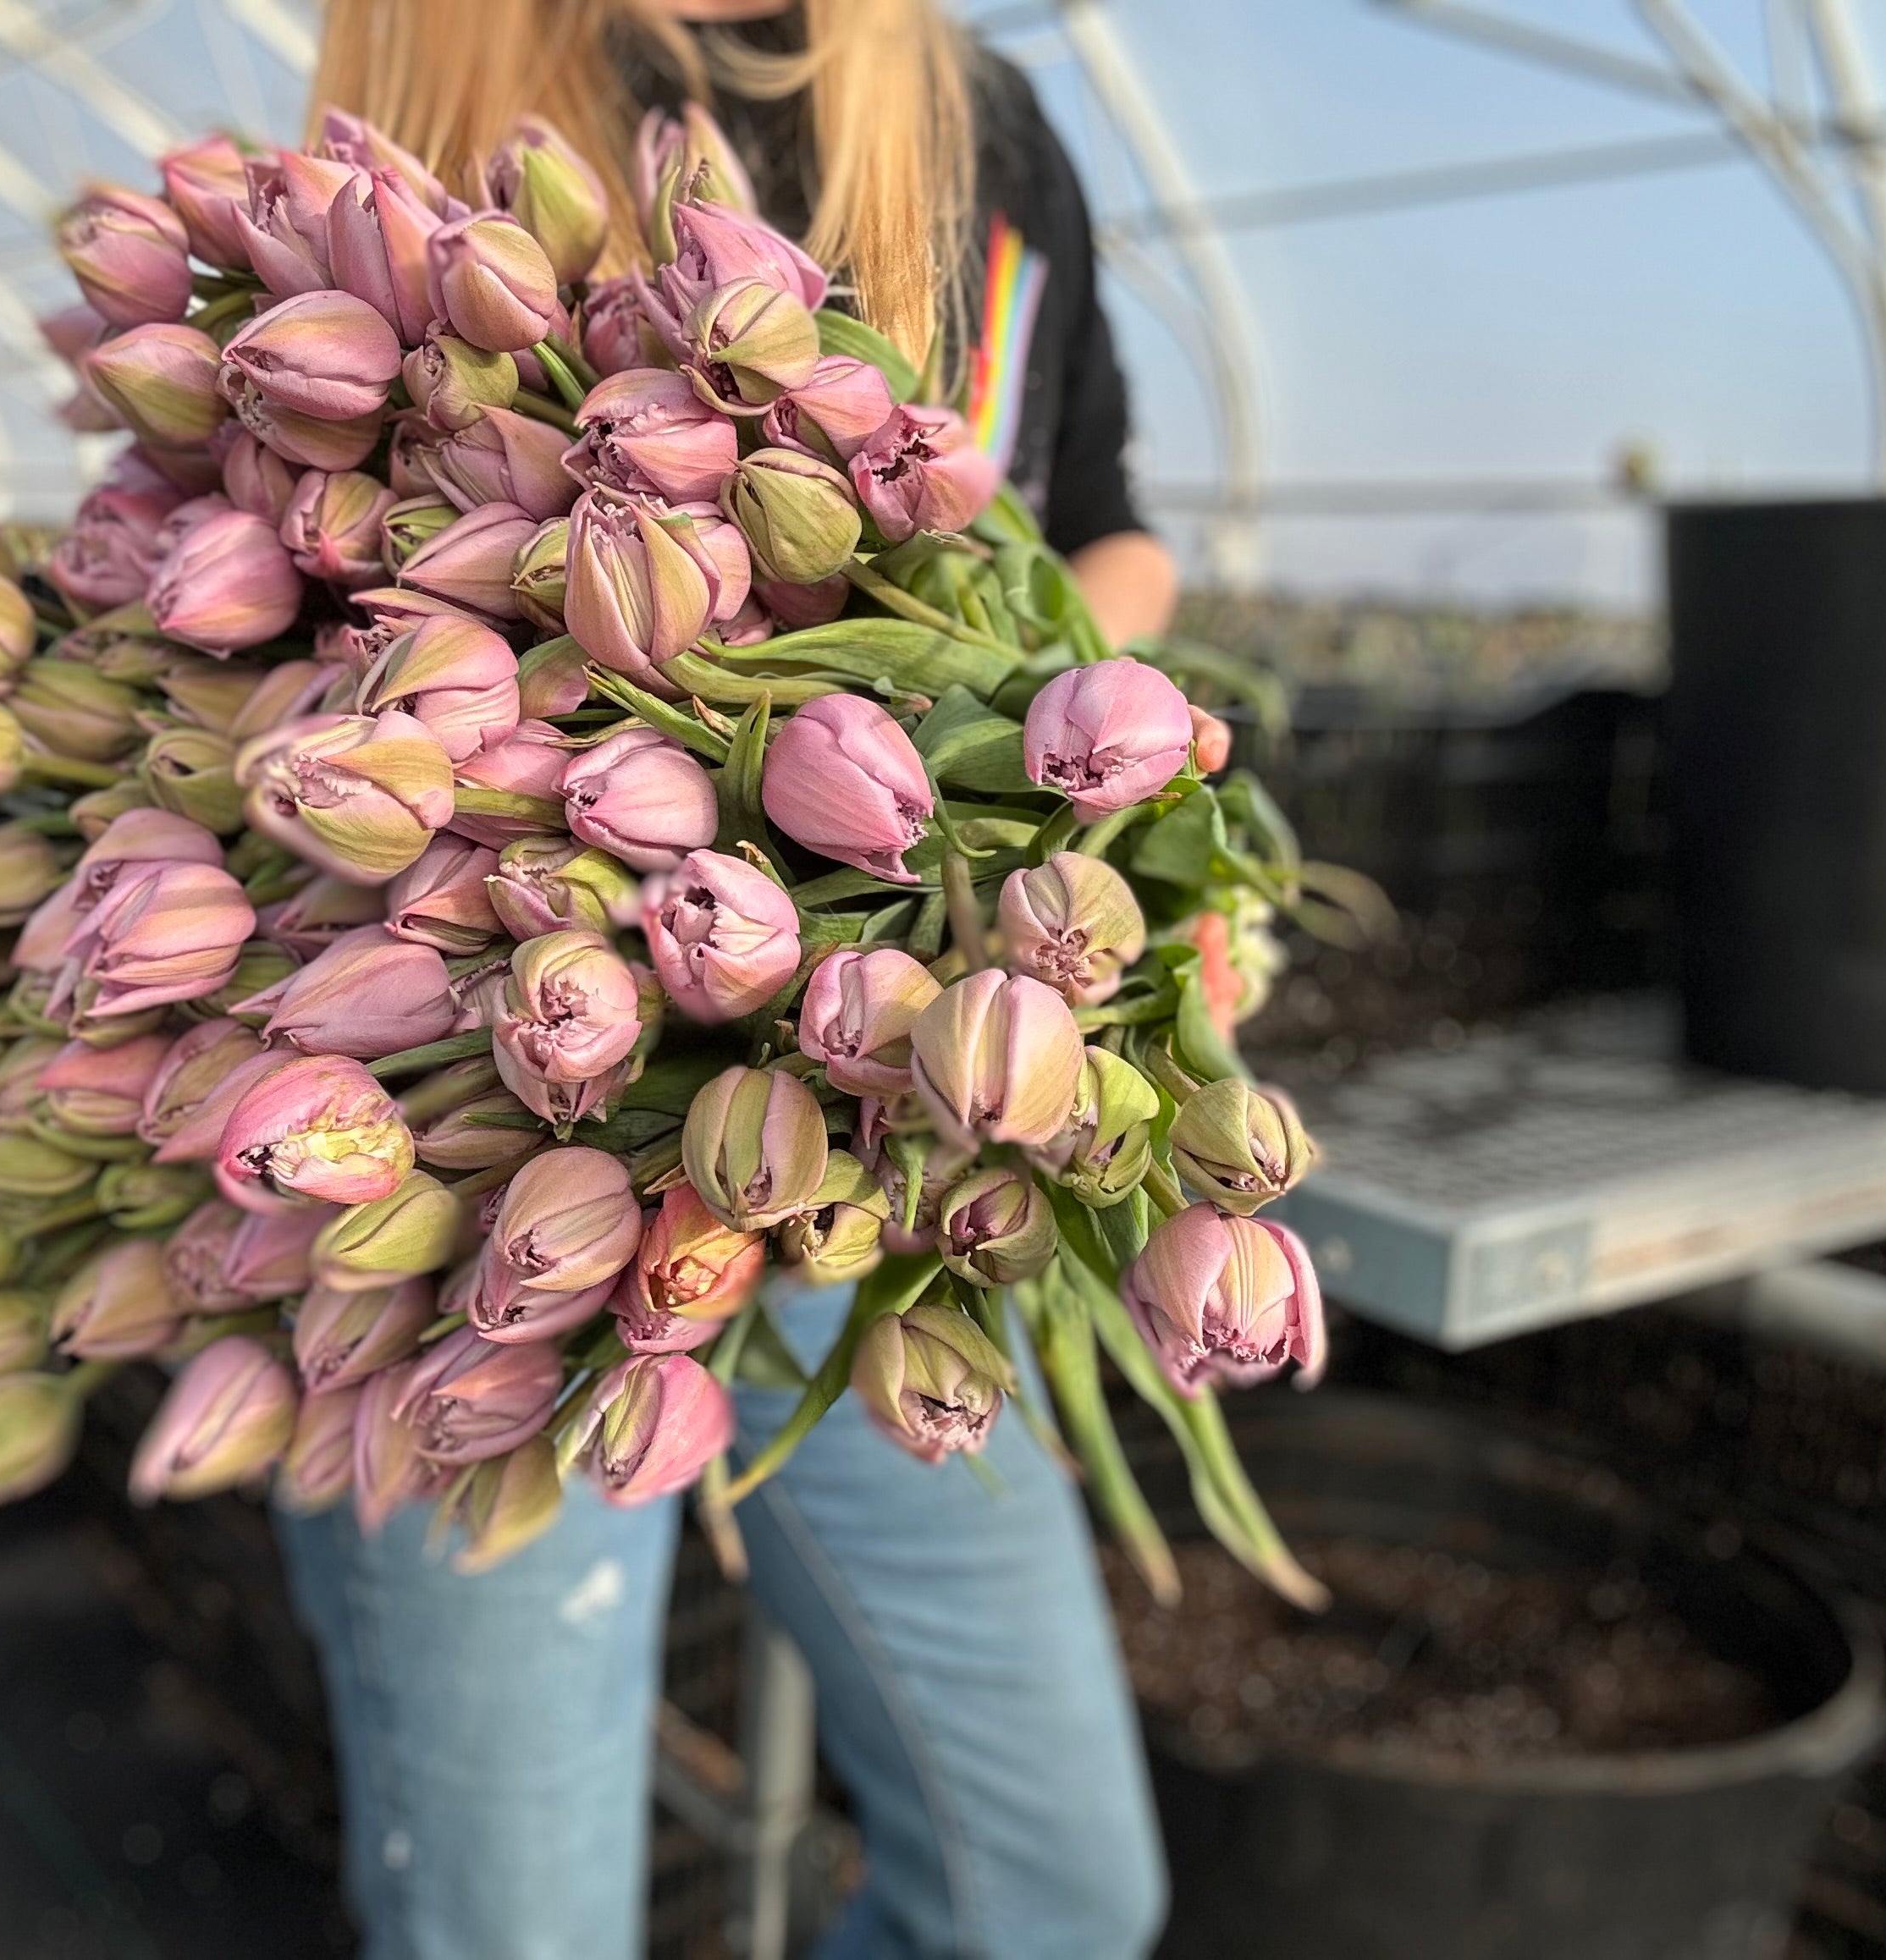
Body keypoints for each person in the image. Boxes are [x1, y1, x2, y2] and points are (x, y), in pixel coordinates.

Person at [274, 4, 1179, 1954]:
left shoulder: (969, 123)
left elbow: (1110, 529)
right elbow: (294, 579)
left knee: (1056, 1902)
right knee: (512, 1928)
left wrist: (1000, 725)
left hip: (879, 1159)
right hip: (468, 1171)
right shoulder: (448, 79)